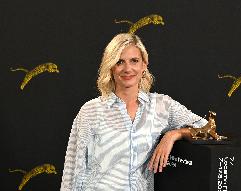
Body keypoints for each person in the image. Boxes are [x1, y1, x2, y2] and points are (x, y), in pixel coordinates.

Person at [60, 33, 208, 191]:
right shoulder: (91, 110)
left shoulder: (161, 106)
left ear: (144, 64)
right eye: (120, 62)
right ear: (111, 67)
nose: (127, 69)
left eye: (134, 61)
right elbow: (72, 171)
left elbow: (207, 130)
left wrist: (173, 135)